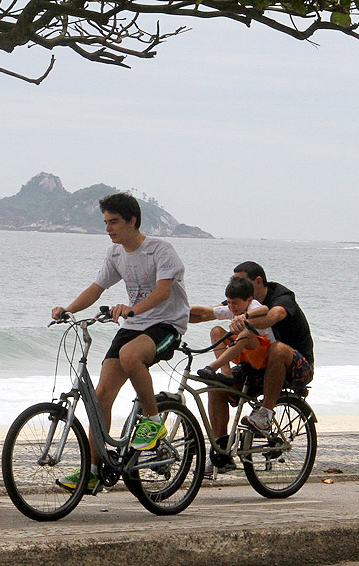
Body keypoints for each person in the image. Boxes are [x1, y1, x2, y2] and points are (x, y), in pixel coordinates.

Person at [51, 192, 190, 492]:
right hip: (135, 324)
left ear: (132, 220)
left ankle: (153, 420)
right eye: (105, 222)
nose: (108, 229)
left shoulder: (160, 251)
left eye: (114, 222)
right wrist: (69, 309)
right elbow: (96, 288)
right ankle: (92, 469)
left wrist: (132, 309)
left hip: (166, 324)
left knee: (130, 355)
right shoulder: (115, 255)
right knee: (101, 396)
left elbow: (164, 292)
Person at [211, 261, 314, 440]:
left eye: (240, 280)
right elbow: (207, 312)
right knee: (216, 386)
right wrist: (175, 316)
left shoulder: (281, 295)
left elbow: (275, 315)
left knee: (277, 349)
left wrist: (246, 321)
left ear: (258, 281)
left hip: (296, 366)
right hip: (258, 367)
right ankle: (220, 449)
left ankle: (265, 415)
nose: (236, 286)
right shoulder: (240, 300)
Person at [191, 276, 274, 382]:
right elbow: (207, 311)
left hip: (263, 356)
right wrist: (183, 311)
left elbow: (265, 309)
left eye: (234, 303)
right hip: (246, 355)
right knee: (216, 331)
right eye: (229, 302)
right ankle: (226, 372)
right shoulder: (233, 309)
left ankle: (212, 367)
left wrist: (245, 315)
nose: (231, 306)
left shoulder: (252, 305)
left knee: (246, 334)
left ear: (248, 300)